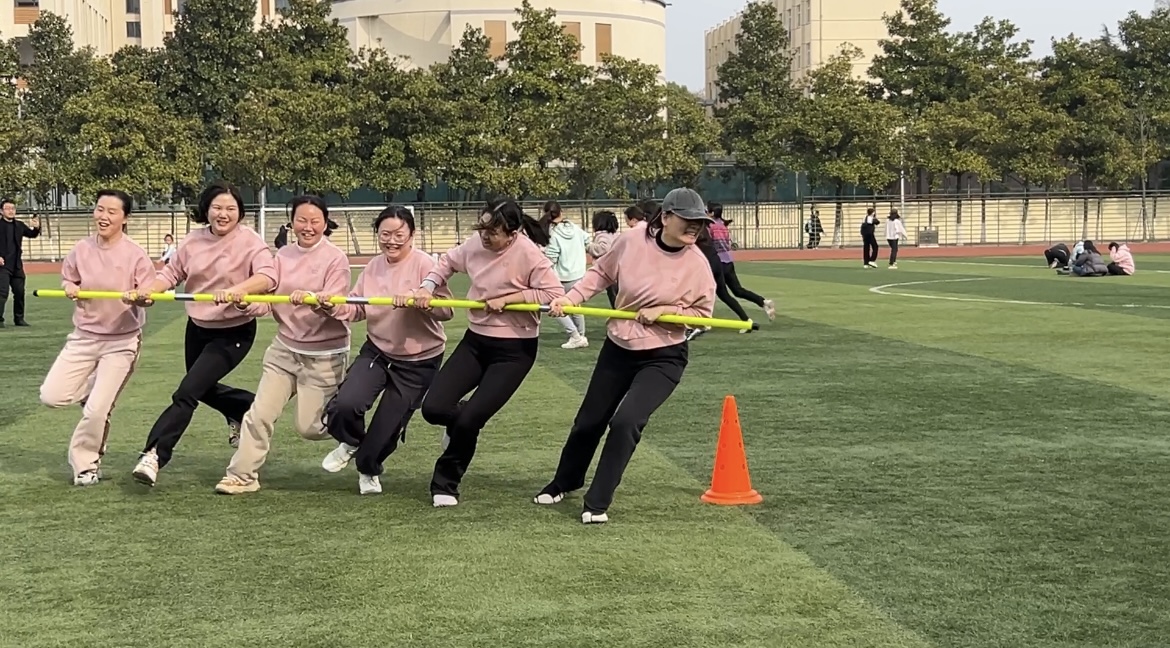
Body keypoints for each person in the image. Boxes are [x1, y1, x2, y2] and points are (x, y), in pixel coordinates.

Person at [535, 187, 716, 524]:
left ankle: (597, 502)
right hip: (619, 348)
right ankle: (565, 481)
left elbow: (703, 316)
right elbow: (602, 273)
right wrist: (571, 298)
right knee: (589, 421)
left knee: (626, 421)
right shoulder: (632, 240)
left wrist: (666, 310)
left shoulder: (697, 265)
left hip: (664, 356)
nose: (695, 226)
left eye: (700, 221)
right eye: (687, 219)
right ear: (665, 217)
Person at [407, 198, 563, 507]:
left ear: (513, 233)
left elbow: (553, 293)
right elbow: (446, 263)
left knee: (470, 422)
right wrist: (427, 287)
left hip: (514, 351)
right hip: (476, 341)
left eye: (493, 232)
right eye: (482, 229)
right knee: (433, 408)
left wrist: (510, 298)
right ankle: (461, 419)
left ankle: (445, 484)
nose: (485, 237)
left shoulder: (529, 254)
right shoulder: (474, 245)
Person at [125, 181, 278, 487]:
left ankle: (154, 455)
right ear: (206, 210)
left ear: (240, 213)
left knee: (186, 393)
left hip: (234, 332)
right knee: (201, 389)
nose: (223, 214)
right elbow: (172, 273)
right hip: (198, 328)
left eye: (231, 209)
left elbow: (268, 276)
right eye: (217, 207)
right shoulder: (193, 240)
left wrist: (238, 290)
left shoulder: (250, 241)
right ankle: (243, 407)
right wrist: (150, 289)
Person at [214, 195, 351, 495]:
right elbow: (266, 304)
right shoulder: (282, 257)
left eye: (314, 221)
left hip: (323, 355)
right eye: (301, 220)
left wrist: (316, 301)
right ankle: (242, 476)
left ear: (325, 223)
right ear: (292, 222)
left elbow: (338, 304)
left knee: (310, 428)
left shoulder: (336, 259)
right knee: (259, 414)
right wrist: (245, 303)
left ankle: (358, 433)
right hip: (284, 351)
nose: (307, 227)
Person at [314, 207, 455, 494]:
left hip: (418, 361)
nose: (391, 241)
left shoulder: (426, 265)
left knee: (385, 431)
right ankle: (351, 441)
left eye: (399, 235)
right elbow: (357, 308)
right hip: (378, 351)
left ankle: (368, 467)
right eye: (385, 234)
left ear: (412, 235)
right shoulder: (373, 267)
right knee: (345, 404)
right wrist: (331, 306)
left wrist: (424, 303)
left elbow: (447, 311)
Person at [38, 190, 154, 486]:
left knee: (96, 411)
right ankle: (92, 393)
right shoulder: (81, 249)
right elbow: (69, 277)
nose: (104, 216)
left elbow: (149, 294)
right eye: (100, 209)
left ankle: (85, 466)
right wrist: (69, 286)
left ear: (125, 218)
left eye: (112, 212)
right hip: (83, 338)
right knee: (51, 396)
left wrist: (139, 297)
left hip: (121, 342)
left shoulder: (135, 254)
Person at [708, 202, 776, 322]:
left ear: (712, 213)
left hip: (719, 263)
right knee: (737, 290)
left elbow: (716, 245)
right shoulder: (723, 225)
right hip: (728, 261)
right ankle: (763, 302)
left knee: (722, 294)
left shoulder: (712, 226)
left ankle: (744, 319)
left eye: (707, 211)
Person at [541, 200, 590, 349]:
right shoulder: (575, 228)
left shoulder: (553, 234)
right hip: (579, 274)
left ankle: (575, 335)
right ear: (561, 212)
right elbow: (587, 241)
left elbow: (551, 257)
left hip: (562, 277)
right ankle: (581, 336)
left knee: (552, 304)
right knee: (575, 305)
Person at [0, 199, 42, 327]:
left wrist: (36, 227)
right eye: (7, 208)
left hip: (17, 265)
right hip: (2, 266)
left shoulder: (19, 225)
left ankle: (19, 319)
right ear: (1, 211)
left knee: (19, 293)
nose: (11, 211)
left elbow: (32, 234)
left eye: (13, 208)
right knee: (2, 293)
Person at [588, 210, 620, 308]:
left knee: (615, 297)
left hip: (610, 272)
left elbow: (604, 248)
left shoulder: (603, 236)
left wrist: (589, 246)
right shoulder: (614, 235)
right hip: (617, 271)